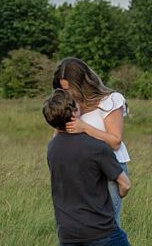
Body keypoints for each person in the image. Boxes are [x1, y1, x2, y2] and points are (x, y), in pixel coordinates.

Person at [43, 89, 132, 246]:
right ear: (74, 113)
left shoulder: (52, 148)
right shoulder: (97, 147)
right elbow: (125, 185)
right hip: (100, 231)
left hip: (66, 232)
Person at [53, 57, 130, 227]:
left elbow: (115, 141)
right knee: (80, 226)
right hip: (80, 171)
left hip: (109, 169)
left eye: (69, 88)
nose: (68, 94)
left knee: (108, 224)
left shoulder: (110, 101)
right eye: (63, 89)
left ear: (82, 83)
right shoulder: (71, 105)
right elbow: (57, 140)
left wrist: (85, 128)